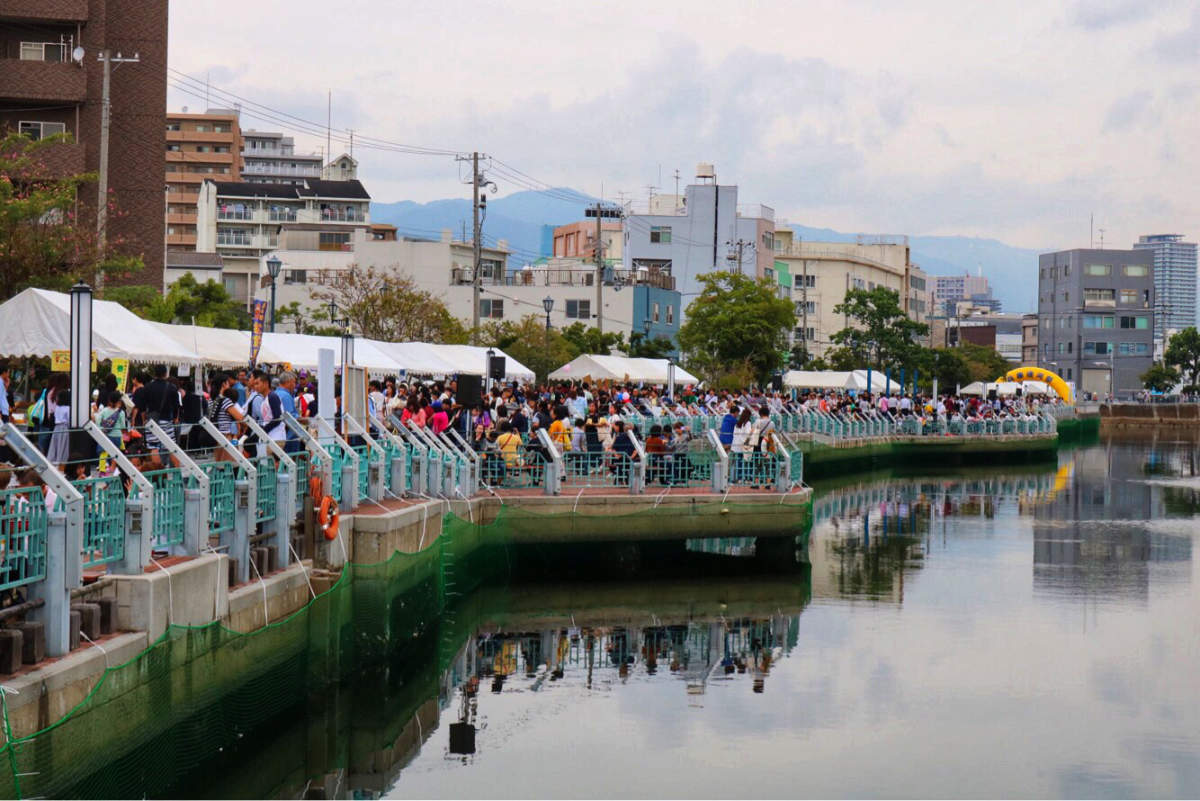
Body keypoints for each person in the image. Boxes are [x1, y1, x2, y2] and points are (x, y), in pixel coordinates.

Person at [47, 389, 71, 470]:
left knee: (55, 446)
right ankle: (61, 464)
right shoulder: (68, 408)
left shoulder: (57, 407)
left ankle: (53, 462)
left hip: (56, 428)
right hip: (64, 428)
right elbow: (69, 420)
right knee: (63, 447)